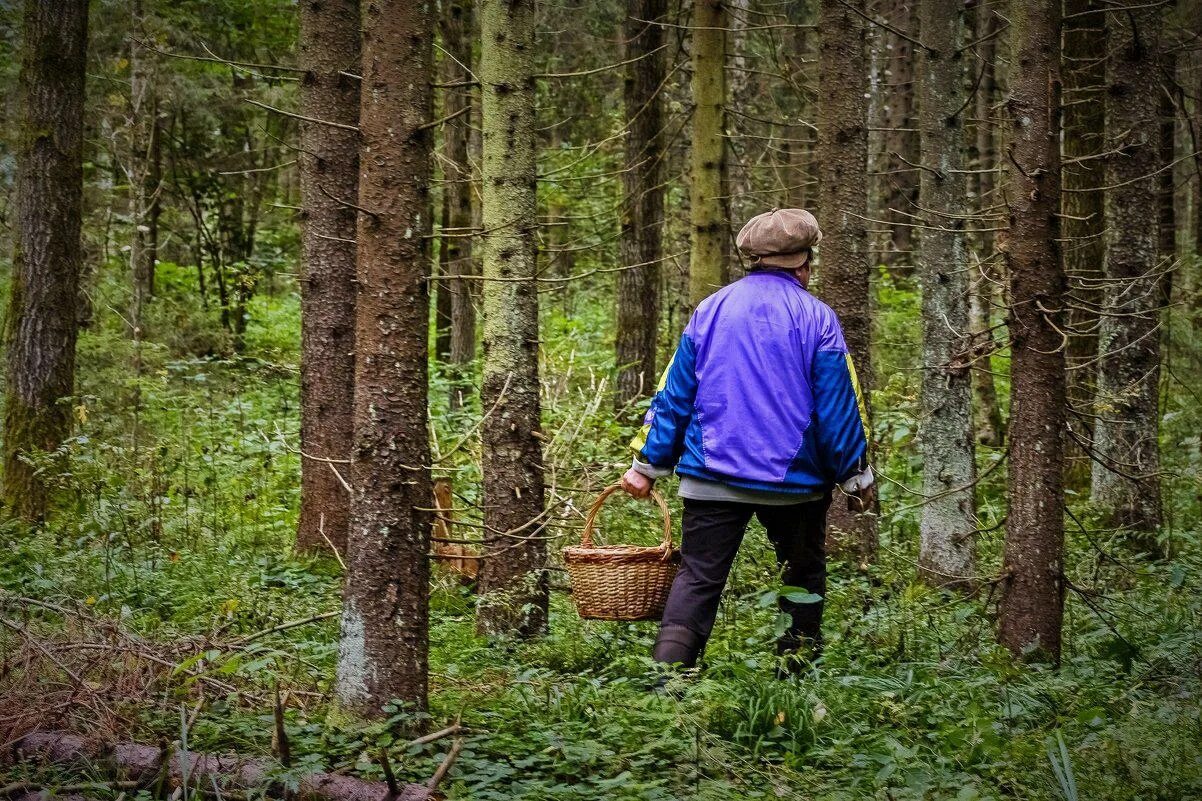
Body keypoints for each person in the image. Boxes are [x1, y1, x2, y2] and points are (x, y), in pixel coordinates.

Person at [621, 208, 875, 675]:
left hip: (710, 476)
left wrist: (646, 466)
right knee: (802, 576)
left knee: (698, 578)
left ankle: (667, 682)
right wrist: (857, 476)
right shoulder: (818, 318)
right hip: (796, 485)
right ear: (804, 262)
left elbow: (674, 394)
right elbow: (838, 406)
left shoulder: (710, 309)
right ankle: (794, 682)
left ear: (753, 259)